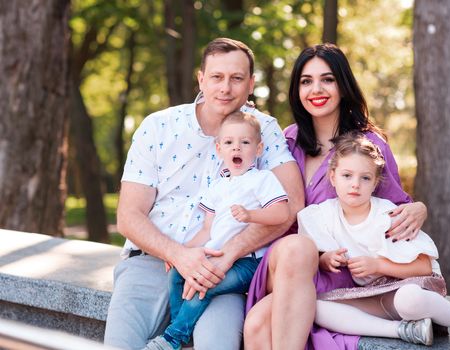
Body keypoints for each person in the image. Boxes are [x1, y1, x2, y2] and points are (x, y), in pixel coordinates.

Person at [104, 38, 304, 350]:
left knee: (217, 344)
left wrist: (228, 255)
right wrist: (179, 255)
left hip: (223, 272)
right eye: (216, 77)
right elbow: (128, 217)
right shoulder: (158, 126)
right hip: (153, 262)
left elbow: (292, 206)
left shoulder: (264, 130)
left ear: (250, 84)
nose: (226, 88)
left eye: (237, 78)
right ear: (201, 79)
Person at [244, 43, 429, 349]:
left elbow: (393, 208)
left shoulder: (368, 145)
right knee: (297, 247)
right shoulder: (283, 142)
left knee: (257, 325)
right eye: (306, 81)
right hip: (286, 262)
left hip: (337, 269)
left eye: (327, 79)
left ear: (343, 85)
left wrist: (419, 208)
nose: (316, 89)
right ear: (296, 90)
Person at [300, 131, 450, 346]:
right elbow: (316, 256)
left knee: (408, 300)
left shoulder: (388, 216)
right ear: (332, 176)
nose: (355, 184)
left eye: (365, 178)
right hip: (370, 298)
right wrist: (326, 259)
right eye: (347, 175)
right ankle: (402, 331)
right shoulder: (324, 215)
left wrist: (378, 265)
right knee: (317, 308)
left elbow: (424, 267)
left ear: (376, 182)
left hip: (406, 289)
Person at [145, 112, 290, 350]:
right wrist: (180, 252)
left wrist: (251, 215)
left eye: (245, 142)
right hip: (217, 256)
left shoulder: (262, 179)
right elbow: (207, 229)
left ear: (259, 148)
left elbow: (281, 213)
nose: (237, 148)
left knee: (205, 282)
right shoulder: (218, 186)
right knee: (176, 275)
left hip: (248, 263)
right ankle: (183, 331)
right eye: (229, 142)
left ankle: (171, 340)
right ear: (219, 148)